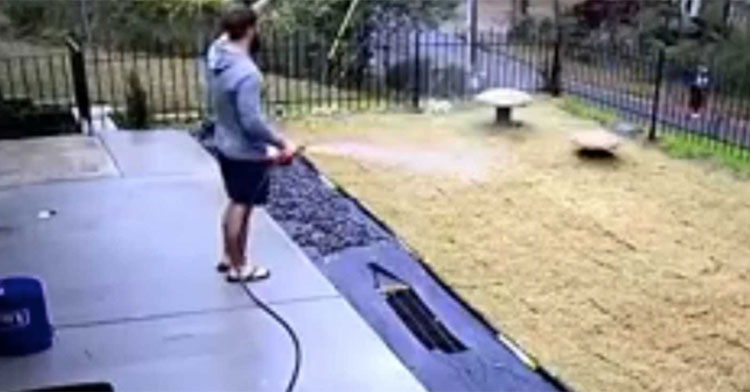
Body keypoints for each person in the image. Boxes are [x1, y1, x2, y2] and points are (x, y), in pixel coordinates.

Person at [210, 4, 295, 282]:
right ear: (249, 30)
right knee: (242, 207)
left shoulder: (218, 54)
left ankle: (227, 256)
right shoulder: (247, 74)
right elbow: (252, 122)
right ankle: (239, 267)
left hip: (224, 144)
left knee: (235, 201)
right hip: (245, 152)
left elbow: (231, 30)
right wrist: (282, 142)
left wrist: (258, 7)